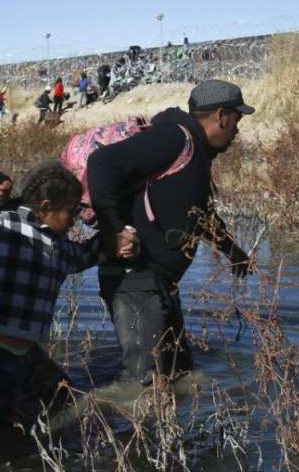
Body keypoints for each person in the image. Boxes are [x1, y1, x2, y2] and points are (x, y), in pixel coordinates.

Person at [86, 79, 255, 385]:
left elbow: (197, 213)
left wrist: (232, 250)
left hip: (158, 282)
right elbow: (102, 163)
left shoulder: (194, 151)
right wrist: (114, 232)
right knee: (143, 390)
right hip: (135, 280)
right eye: (236, 120)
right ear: (220, 115)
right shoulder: (173, 137)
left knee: (178, 376)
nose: (236, 131)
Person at [0, 163, 138, 429]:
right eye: (71, 212)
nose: (75, 219)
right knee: (8, 427)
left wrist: (120, 240)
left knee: (67, 401)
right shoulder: (4, 227)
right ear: (47, 206)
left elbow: (85, 254)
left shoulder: (58, 246)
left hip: (26, 351)